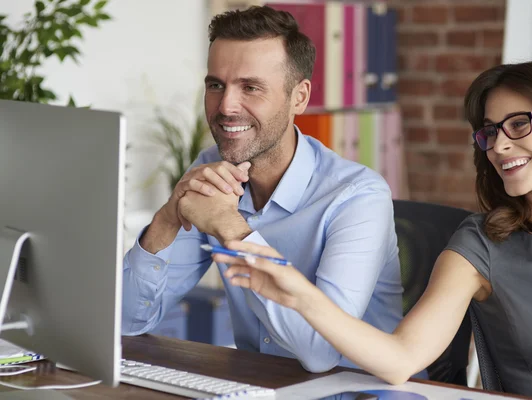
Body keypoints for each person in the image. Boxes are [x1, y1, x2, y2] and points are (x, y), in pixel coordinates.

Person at [213, 59, 532, 400]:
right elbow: (400, 359)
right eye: (490, 133)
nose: (498, 146)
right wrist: (299, 295)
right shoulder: (483, 244)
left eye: (518, 124)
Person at [120, 5, 424, 377]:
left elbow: (320, 354)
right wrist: (167, 218)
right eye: (216, 84)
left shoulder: (357, 197)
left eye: (250, 87)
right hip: (261, 386)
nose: (226, 106)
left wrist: (232, 229)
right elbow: (126, 323)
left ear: (299, 97)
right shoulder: (211, 171)